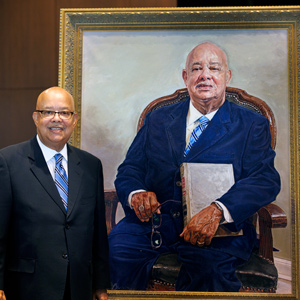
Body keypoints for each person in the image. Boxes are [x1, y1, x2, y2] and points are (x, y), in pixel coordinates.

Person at [108, 42, 281, 292]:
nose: (205, 75)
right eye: (197, 68)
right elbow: (130, 169)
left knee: (208, 271)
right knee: (116, 250)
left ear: (227, 76)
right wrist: (136, 193)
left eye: (214, 68)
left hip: (218, 230)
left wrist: (219, 210)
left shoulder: (251, 124)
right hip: (157, 222)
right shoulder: (158, 119)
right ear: (185, 76)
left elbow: (265, 179)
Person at [0, 87, 110, 300]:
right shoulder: (8, 161)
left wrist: (100, 285)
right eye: (48, 112)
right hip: (28, 287)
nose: (56, 119)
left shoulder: (90, 165)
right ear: (36, 118)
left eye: (64, 113)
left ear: (75, 119)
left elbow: (97, 233)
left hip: (78, 287)